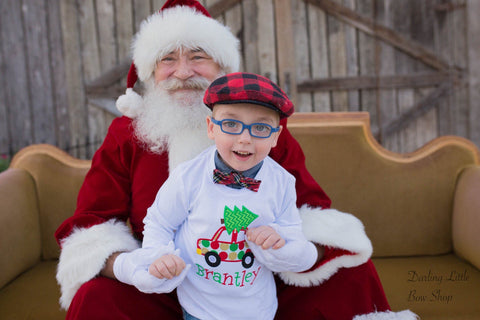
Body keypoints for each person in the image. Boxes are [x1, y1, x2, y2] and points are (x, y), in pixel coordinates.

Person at [54, 0, 415, 319]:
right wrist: (133, 266)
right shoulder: (126, 134)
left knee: (351, 274)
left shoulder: (261, 130)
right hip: (160, 289)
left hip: (255, 284)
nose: (182, 72)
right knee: (95, 297)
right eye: (168, 59)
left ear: (222, 66)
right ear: (151, 72)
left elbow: (308, 209)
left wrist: (289, 250)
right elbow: (93, 222)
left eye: (197, 56)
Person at [115, 72, 320, 320]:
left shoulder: (281, 182)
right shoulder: (188, 177)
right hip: (201, 306)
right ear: (211, 128)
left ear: (275, 136)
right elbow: (160, 222)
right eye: (231, 124)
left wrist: (278, 240)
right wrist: (158, 256)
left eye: (261, 127)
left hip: (258, 306)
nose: (245, 138)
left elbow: (291, 231)